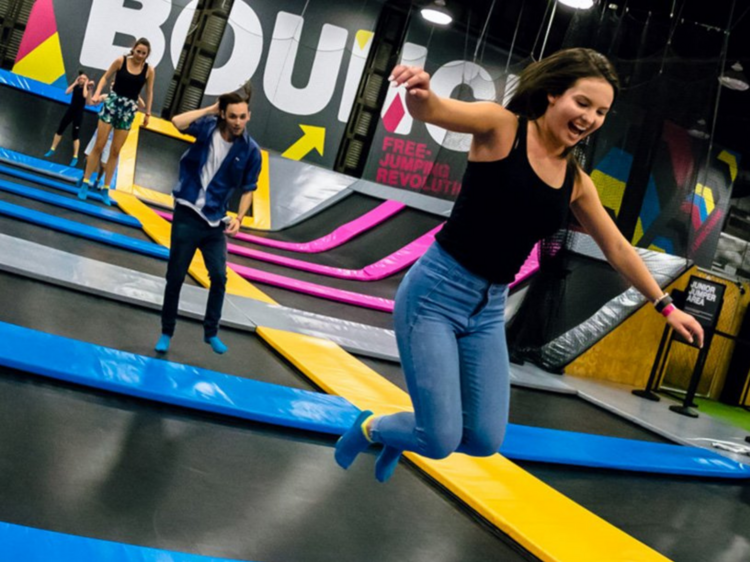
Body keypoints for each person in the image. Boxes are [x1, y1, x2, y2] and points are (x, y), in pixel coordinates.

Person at [335, 48, 705, 483]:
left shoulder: (576, 181)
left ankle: (400, 436)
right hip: (435, 295)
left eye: (601, 111)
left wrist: (666, 305)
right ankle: (372, 427)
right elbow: (435, 109)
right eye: (582, 103)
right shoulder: (500, 128)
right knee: (437, 438)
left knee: (483, 439)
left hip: (489, 311)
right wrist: (419, 92)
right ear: (551, 94)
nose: (590, 118)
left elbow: (619, 249)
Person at [154, 84, 261, 355]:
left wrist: (240, 217)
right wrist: (212, 109)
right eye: (233, 116)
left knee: (219, 276)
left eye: (243, 117)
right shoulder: (208, 127)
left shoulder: (251, 151)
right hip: (187, 212)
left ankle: (211, 331)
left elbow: (249, 188)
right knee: (175, 276)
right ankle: (167, 332)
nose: (238, 122)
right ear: (224, 114)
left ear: (248, 116)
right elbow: (177, 122)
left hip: (215, 220)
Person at [77, 37, 155, 205]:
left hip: (128, 109)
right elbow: (106, 77)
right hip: (113, 103)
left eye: (143, 53)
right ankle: (85, 182)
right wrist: (98, 93)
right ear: (133, 49)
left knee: (115, 151)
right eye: (138, 51)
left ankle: (105, 188)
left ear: (147, 55)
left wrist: (148, 113)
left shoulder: (149, 70)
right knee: (99, 145)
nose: (140, 55)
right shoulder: (121, 61)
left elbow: (149, 92)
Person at [44, 70, 94, 167]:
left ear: (86, 81)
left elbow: (84, 96)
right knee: (60, 129)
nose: (82, 80)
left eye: (84, 79)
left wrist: (86, 84)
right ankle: (52, 149)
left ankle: (75, 157)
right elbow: (67, 92)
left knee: (75, 135)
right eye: (81, 78)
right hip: (70, 111)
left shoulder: (86, 89)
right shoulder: (75, 86)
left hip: (78, 114)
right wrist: (75, 82)